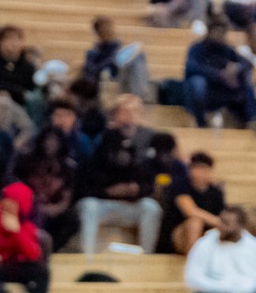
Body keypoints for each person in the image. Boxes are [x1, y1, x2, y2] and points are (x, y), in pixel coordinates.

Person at [78, 95, 162, 253]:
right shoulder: (103, 139)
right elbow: (90, 174)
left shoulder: (151, 138)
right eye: (124, 112)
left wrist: (137, 189)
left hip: (133, 204)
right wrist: (107, 191)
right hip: (105, 202)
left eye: (134, 112)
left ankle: (147, 259)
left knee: (151, 208)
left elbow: (152, 178)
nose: (129, 116)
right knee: (88, 206)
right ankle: (85, 259)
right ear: (116, 114)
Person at [16, 124, 83, 251]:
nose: (50, 144)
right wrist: (36, 208)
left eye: (54, 140)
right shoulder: (27, 163)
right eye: (48, 139)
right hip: (30, 209)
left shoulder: (68, 167)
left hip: (56, 211)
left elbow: (67, 199)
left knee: (72, 218)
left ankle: (53, 251)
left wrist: (53, 209)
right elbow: (20, 189)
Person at [184, 17, 256, 128]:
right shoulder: (197, 48)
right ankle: (201, 122)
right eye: (216, 31)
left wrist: (235, 68)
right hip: (205, 91)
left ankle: (254, 119)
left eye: (222, 32)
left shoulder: (227, 49)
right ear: (209, 32)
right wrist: (218, 74)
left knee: (247, 83)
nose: (219, 35)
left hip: (222, 90)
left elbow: (247, 63)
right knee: (197, 82)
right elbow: (192, 67)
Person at [81, 16, 153, 99]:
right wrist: (111, 62)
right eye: (104, 30)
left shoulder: (119, 47)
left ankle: (139, 94)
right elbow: (90, 72)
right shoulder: (93, 52)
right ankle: (139, 95)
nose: (108, 32)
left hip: (125, 73)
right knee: (136, 61)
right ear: (98, 32)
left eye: (110, 29)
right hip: (111, 74)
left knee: (138, 57)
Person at [0, 24, 38, 112]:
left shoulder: (28, 66)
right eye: (9, 39)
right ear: (0, 42)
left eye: (17, 39)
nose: (13, 43)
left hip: (21, 107)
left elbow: (30, 91)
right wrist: (16, 91)